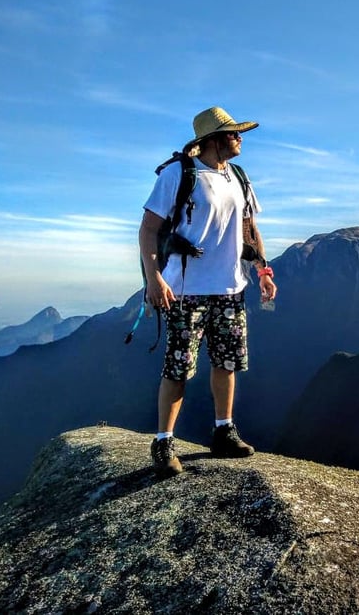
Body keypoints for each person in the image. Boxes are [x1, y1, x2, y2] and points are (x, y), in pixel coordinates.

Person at [139, 106, 277, 476]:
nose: (240, 138)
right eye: (233, 133)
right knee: (179, 368)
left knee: (227, 363)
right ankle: (164, 441)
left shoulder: (239, 177)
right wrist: (155, 278)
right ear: (213, 139)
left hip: (231, 287)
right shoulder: (179, 174)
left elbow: (249, 230)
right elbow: (149, 229)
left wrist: (262, 270)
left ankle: (223, 431)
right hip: (187, 290)